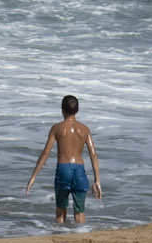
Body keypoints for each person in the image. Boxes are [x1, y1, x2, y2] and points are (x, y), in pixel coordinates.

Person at [23, 94, 102, 225]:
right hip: (79, 170)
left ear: (62, 110)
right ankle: (81, 235)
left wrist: (33, 176)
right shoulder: (84, 129)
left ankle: (60, 235)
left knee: (60, 211)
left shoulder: (57, 128)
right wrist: (97, 181)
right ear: (78, 110)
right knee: (80, 211)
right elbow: (93, 154)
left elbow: (45, 153)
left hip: (63, 169)